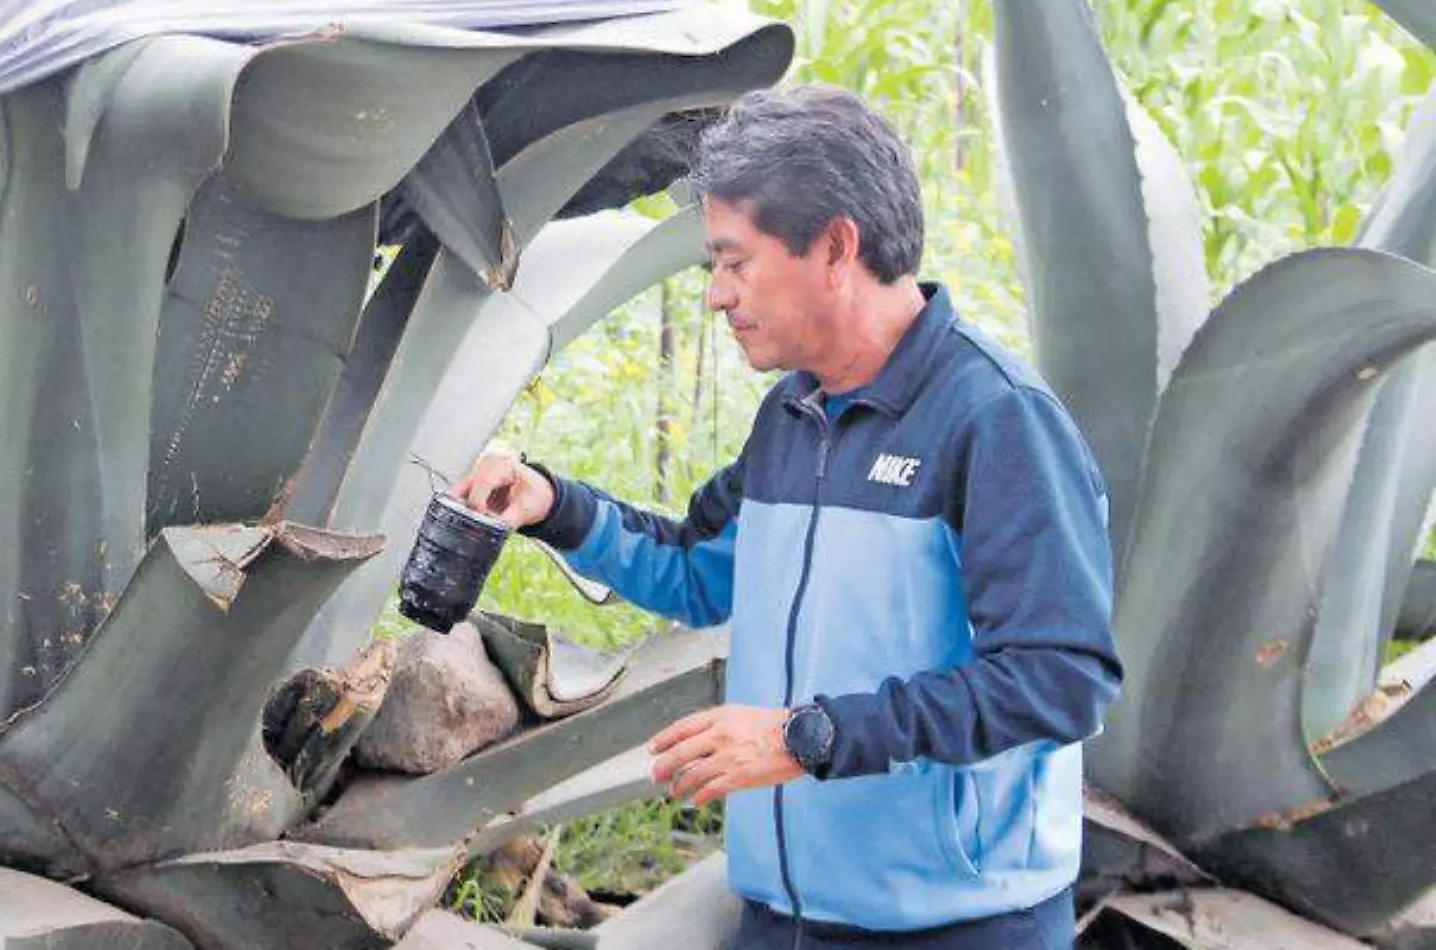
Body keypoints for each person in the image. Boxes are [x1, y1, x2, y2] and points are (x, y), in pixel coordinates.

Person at [453, 85, 1122, 950]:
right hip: (781, 922)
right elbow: (698, 572)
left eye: (736, 262)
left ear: (836, 246)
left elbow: (1060, 679)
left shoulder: (995, 421)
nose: (717, 296)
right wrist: (554, 507)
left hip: (960, 929)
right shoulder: (795, 415)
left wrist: (810, 738)